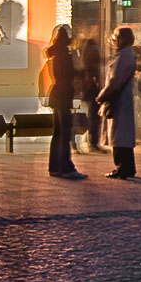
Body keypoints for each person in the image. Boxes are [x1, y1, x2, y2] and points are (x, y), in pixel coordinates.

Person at [96, 26, 141, 179]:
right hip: (123, 98)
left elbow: (114, 81)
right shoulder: (127, 55)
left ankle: (122, 167)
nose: (114, 42)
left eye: (116, 38)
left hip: (119, 99)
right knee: (123, 134)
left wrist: (102, 96)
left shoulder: (123, 57)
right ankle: (127, 167)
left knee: (119, 134)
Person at [42, 24, 86, 179]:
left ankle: (54, 166)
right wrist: (81, 72)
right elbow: (68, 74)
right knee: (65, 131)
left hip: (56, 94)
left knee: (58, 132)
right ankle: (65, 167)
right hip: (63, 94)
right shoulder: (65, 54)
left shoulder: (54, 53)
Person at [78, 32, 108, 153]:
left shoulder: (86, 61)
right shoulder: (91, 68)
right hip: (93, 90)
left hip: (90, 90)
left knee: (92, 116)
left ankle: (92, 141)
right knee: (94, 117)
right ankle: (92, 142)